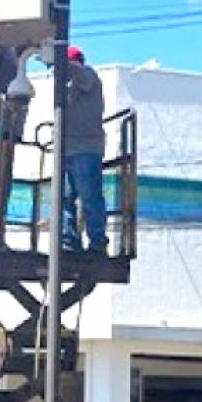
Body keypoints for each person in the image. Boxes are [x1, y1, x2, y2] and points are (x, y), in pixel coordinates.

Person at [62, 45, 109, 254]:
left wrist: (59, 59)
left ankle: (98, 242)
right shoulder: (68, 86)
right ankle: (68, 241)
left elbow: (81, 76)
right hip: (67, 150)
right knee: (64, 199)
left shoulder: (88, 75)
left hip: (85, 149)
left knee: (90, 197)